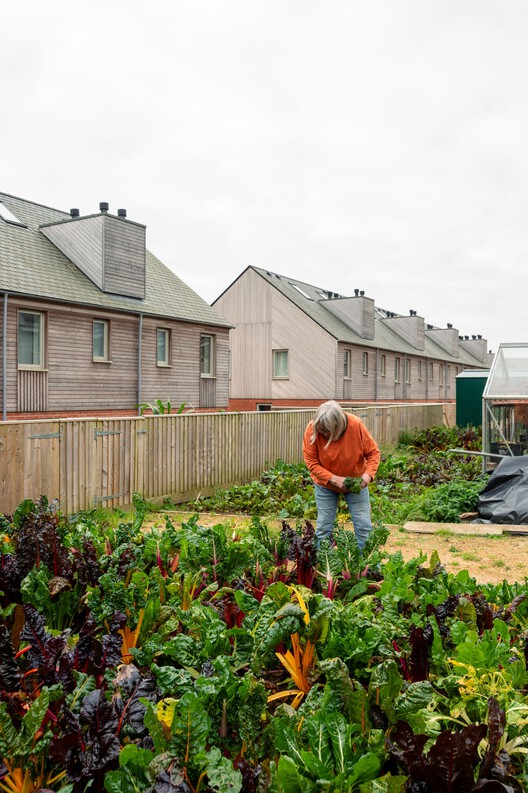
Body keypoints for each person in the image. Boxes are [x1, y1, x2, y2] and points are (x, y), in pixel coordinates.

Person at [302, 400, 381, 548]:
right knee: (324, 527)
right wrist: (333, 479)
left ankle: (367, 568)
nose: (324, 434)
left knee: (363, 526)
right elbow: (311, 462)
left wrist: (368, 475)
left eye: (327, 431)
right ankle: (325, 566)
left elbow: (373, 453)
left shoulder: (355, 426)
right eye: (321, 431)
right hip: (325, 485)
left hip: (356, 482)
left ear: (338, 425)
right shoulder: (312, 429)